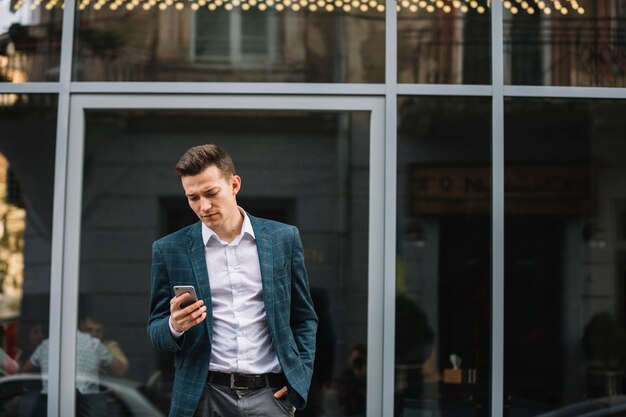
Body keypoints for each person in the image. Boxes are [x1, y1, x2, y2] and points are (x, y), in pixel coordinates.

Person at [147, 144, 318, 417]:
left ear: (234, 184)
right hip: (203, 397)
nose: (203, 206)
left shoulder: (282, 239)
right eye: (192, 198)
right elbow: (155, 331)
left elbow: (303, 318)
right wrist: (174, 325)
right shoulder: (170, 249)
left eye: (211, 193)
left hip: (270, 395)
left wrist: (300, 379)